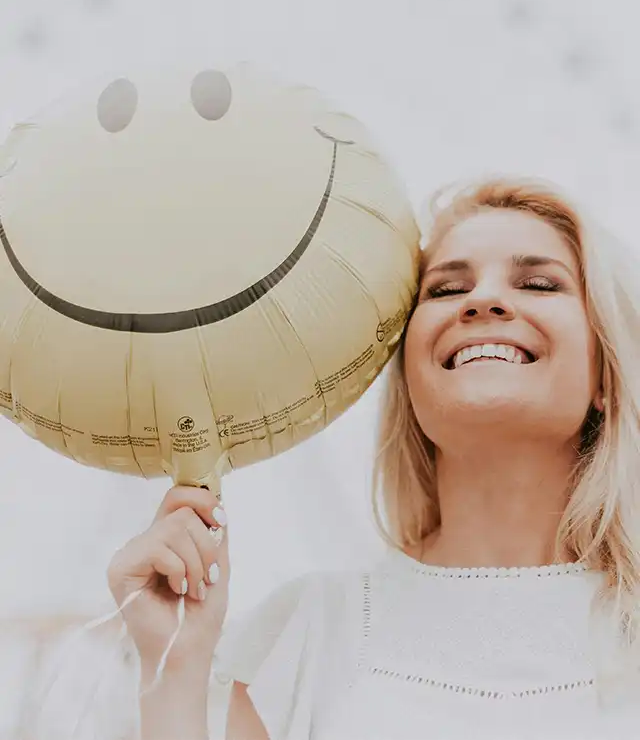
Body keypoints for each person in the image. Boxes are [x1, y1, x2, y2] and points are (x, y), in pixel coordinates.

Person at [107, 176, 640, 740]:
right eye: (444, 290)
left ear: (607, 372)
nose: (483, 300)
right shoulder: (307, 634)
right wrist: (173, 670)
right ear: (408, 379)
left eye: (537, 282)